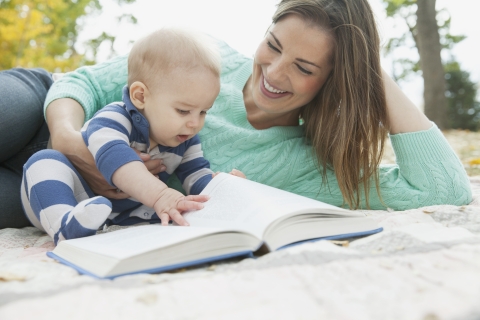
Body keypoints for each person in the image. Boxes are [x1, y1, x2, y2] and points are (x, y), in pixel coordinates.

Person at [0, 0, 472, 230]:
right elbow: (83, 83)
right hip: (45, 115)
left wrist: (368, 66)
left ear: (335, 80)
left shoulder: (306, 168)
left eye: (304, 68)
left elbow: (442, 187)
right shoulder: (213, 60)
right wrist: (65, 134)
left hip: (57, 195)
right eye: (273, 44)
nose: (274, 72)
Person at [20, 28, 231, 244]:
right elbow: (118, 160)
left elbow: (197, 177)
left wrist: (223, 187)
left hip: (114, 214)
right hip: (66, 193)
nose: (195, 123)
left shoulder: (185, 139)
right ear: (140, 96)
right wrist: (160, 195)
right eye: (183, 111)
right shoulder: (114, 118)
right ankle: (64, 225)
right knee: (43, 161)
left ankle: (87, 223)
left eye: (203, 112)